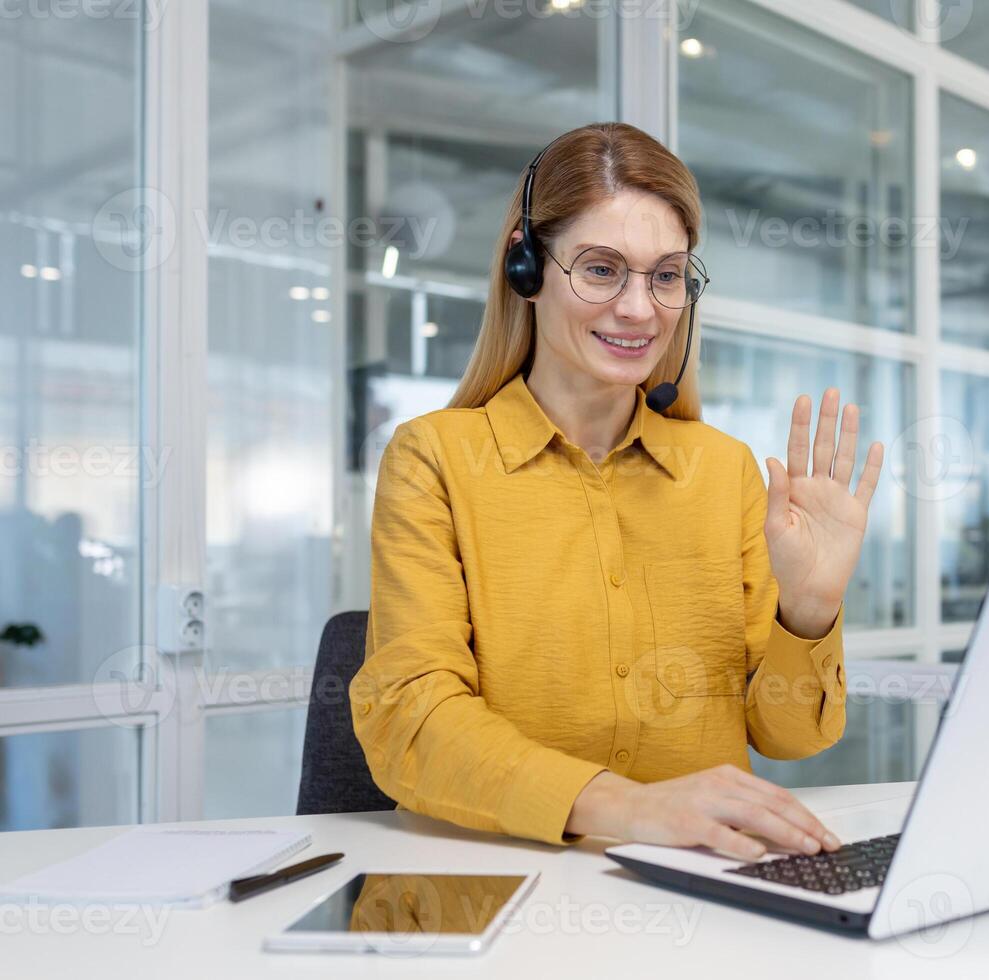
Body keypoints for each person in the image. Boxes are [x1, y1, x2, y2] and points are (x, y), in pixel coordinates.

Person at [350, 122, 884, 862]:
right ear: (526, 269)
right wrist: (628, 807)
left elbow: (792, 737)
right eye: (602, 269)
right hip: (512, 879)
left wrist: (811, 607)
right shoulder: (434, 459)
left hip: (704, 884)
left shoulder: (725, 471)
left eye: (666, 275)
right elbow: (411, 719)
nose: (640, 309)